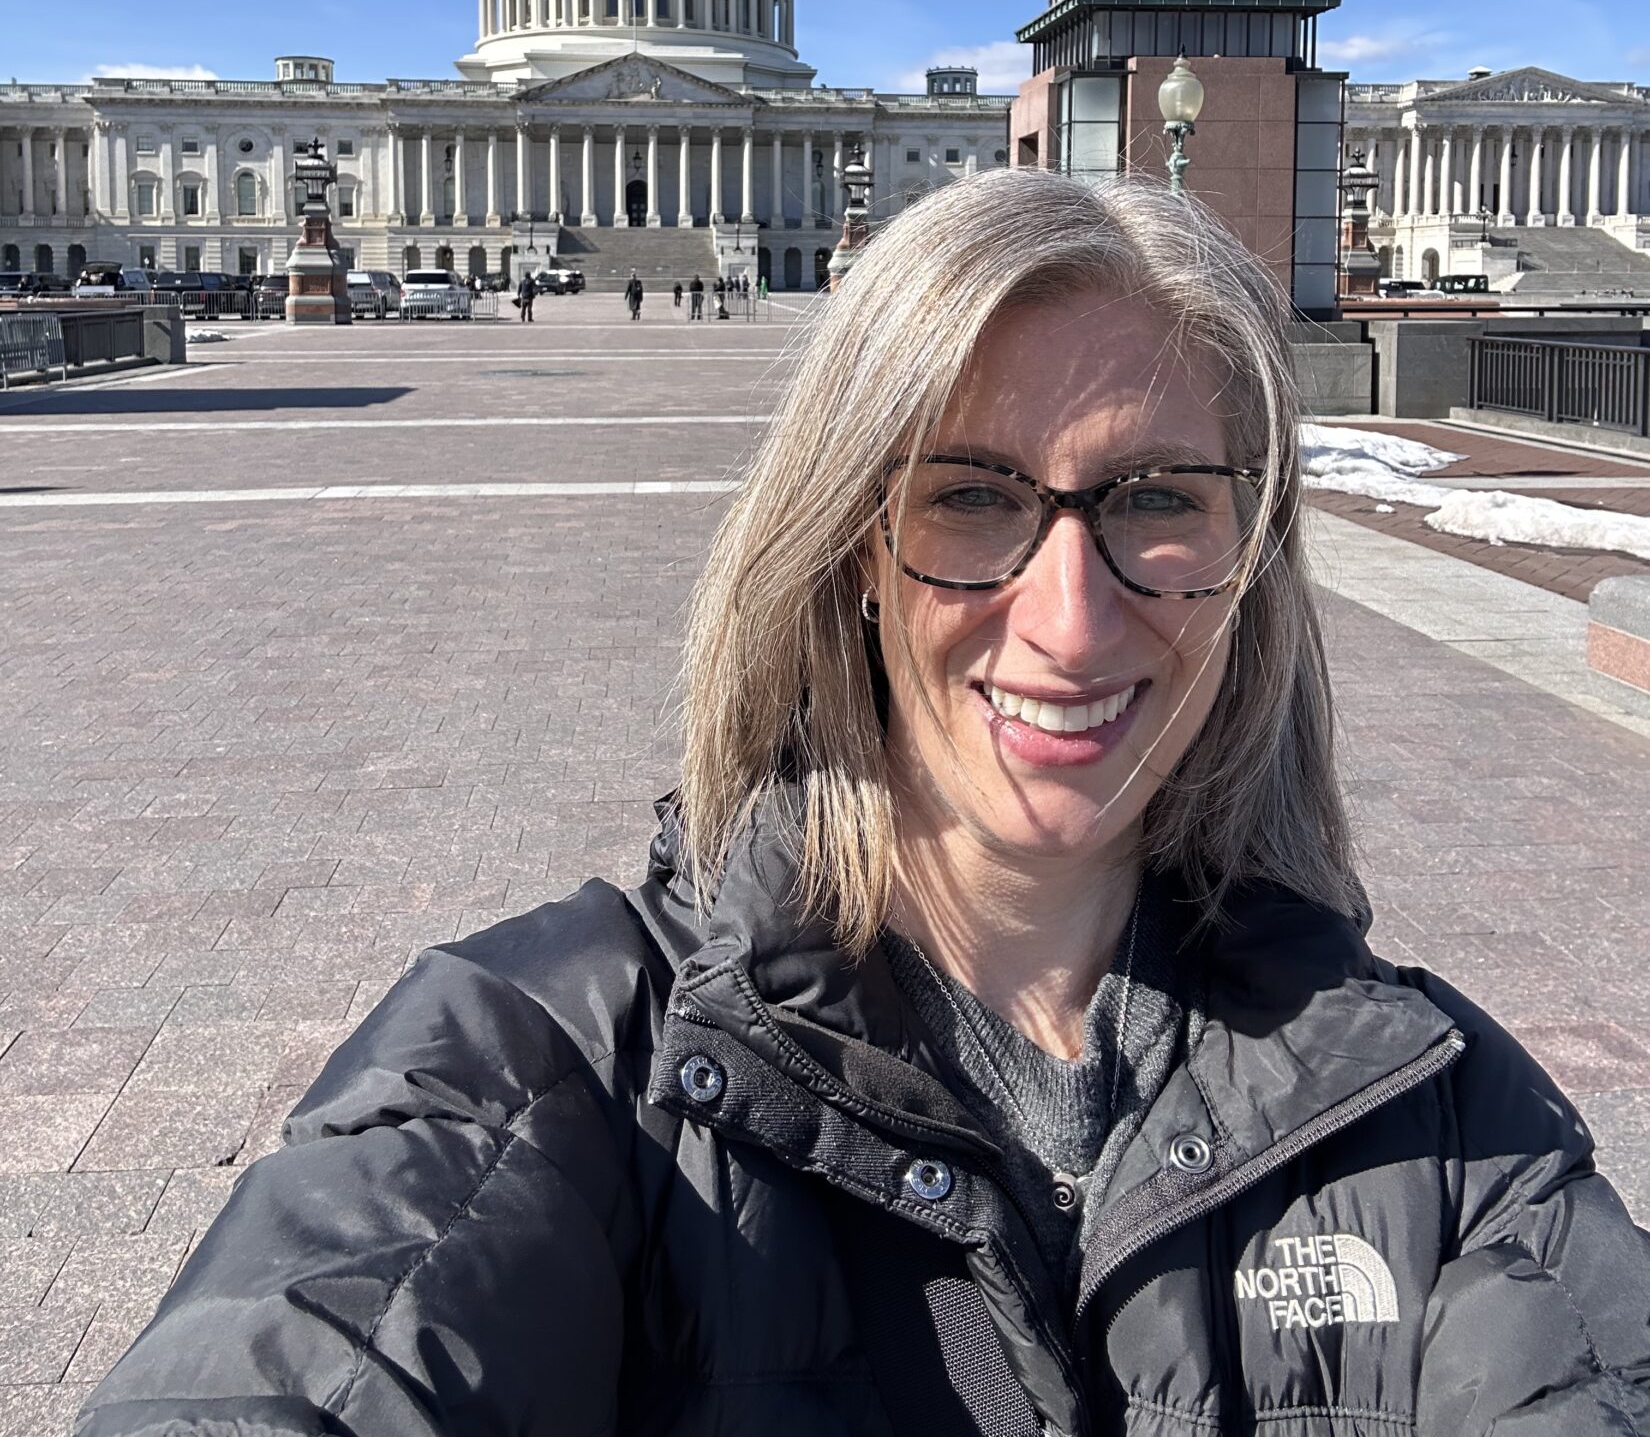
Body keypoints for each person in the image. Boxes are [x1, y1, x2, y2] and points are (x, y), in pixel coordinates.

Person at [78, 169, 1650, 1437]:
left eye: (1158, 498)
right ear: (847, 551)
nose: (1070, 622)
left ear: (1252, 564)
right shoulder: (535, 1068)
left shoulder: (1443, 1123)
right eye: (966, 495)